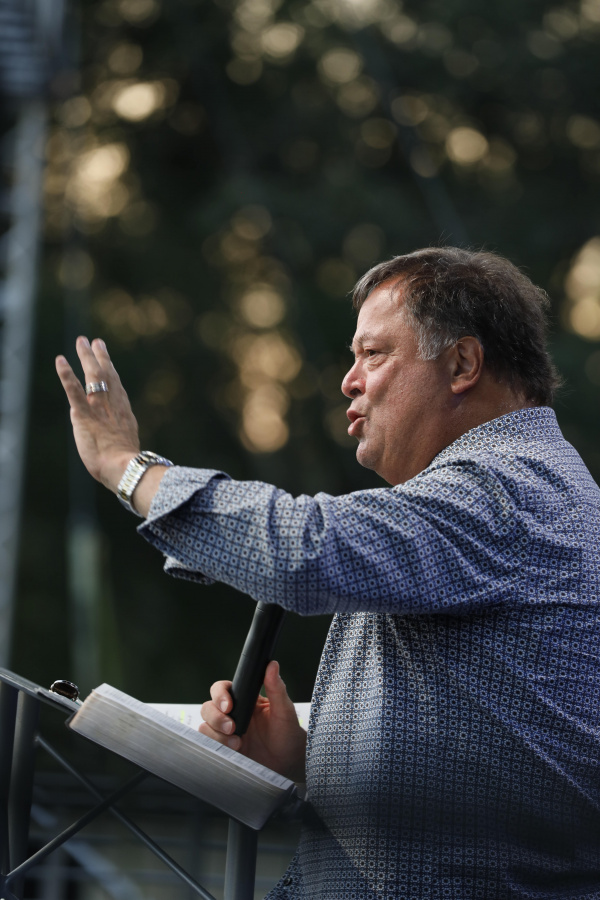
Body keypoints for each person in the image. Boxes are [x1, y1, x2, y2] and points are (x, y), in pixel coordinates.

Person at [56, 247, 600, 900]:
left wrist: (127, 466)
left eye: (373, 354)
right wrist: (308, 761)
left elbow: (302, 553)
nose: (349, 381)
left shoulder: (506, 490)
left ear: (462, 364)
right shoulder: (529, 489)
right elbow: (500, 764)